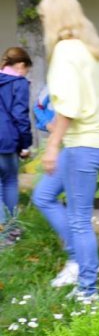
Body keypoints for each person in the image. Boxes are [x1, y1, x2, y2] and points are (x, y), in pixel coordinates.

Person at [32, 0, 99, 302]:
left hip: (84, 143)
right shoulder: (90, 48)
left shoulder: (67, 51)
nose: (42, 22)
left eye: (43, 16)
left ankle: (88, 290)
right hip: (90, 137)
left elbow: (67, 107)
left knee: (80, 218)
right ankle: (78, 260)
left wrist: (52, 146)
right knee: (43, 195)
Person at [0, 47, 32, 242]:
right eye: (26, 69)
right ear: (20, 65)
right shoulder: (19, 83)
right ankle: (10, 231)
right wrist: (25, 145)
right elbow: (20, 115)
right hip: (7, 140)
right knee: (10, 181)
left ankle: (3, 232)